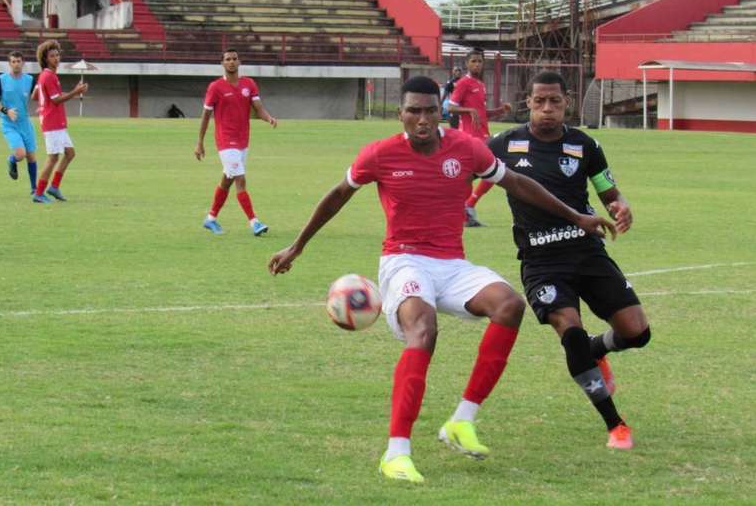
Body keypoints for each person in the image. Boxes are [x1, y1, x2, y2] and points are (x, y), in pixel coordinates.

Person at [268, 76, 615, 483]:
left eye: (430, 110)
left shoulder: (466, 148)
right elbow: (338, 195)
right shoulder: (380, 154)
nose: (422, 118)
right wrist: (297, 246)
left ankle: (462, 420)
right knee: (424, 329)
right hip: (404, 261)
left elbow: (518, 183)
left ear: (441, 112)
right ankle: (396, 452)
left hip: (452, 264)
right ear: (401, 114)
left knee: (509, 304)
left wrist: (576, 216)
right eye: (413, 110)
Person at [489, 71, 651, 450]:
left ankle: (600, 348)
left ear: (567, 103)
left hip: (587, 250)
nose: (547, 109)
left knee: (637, 333)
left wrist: (620, 205)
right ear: (528, 101)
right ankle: (616, 425)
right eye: (540, 101)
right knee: (571, 331)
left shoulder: (585, 145)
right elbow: (465, 167)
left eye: (555, 102)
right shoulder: (503, 145)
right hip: (541, 258)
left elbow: (608, 191)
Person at [195, 48, 277, 236]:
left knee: (228, 179)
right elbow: (205, 116)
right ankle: (254, 222)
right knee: (240, 179)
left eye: (234, 59)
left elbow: (258, 108)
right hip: (225, 142)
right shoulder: (215, 88)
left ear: (239, 62)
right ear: (222, 64)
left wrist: (268, 118)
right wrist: (199, 142)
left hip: (242, 141)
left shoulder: (249, 84)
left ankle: (211, 218)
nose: (231, 62)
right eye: (227, 59)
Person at [446, 48, 511, 227]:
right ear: (467, 63)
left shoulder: (480, 84)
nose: (477, 64)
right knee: (494, 168)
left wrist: (499, 110)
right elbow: (450, 108)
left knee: (488, 171)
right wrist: (469, 110)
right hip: (469, 136)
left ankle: (465, 208)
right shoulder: (463, 83)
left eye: (480, 61)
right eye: (473, 61)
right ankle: (466, 206)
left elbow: (481, 113)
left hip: (483, 135)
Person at [32, 40, 88, 203]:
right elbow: (56, 100)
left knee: (70, 153)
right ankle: (39, 193)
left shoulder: (46, 75)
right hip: (52, 122)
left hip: (56, 122)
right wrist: (75, 92)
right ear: (45, 58)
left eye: (57, 55)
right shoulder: (48, 76)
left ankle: (54, 187)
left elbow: (36, 96)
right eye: (52, 56)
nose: (56, 58)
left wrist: (43, 104)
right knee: (53, 158)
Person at [0, 51, 39, 194]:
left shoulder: (30, 80)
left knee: (31, 156)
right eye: (13, 61)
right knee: (20, 154)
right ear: (9, 63)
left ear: (23, 63)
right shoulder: (1, 79)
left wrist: (42, 105)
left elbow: (38, 95)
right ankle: (12, 160)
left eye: (18, 61)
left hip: (25, 122)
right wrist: (7, 111)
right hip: (8, 123)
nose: (16, 64)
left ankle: (34, 189)